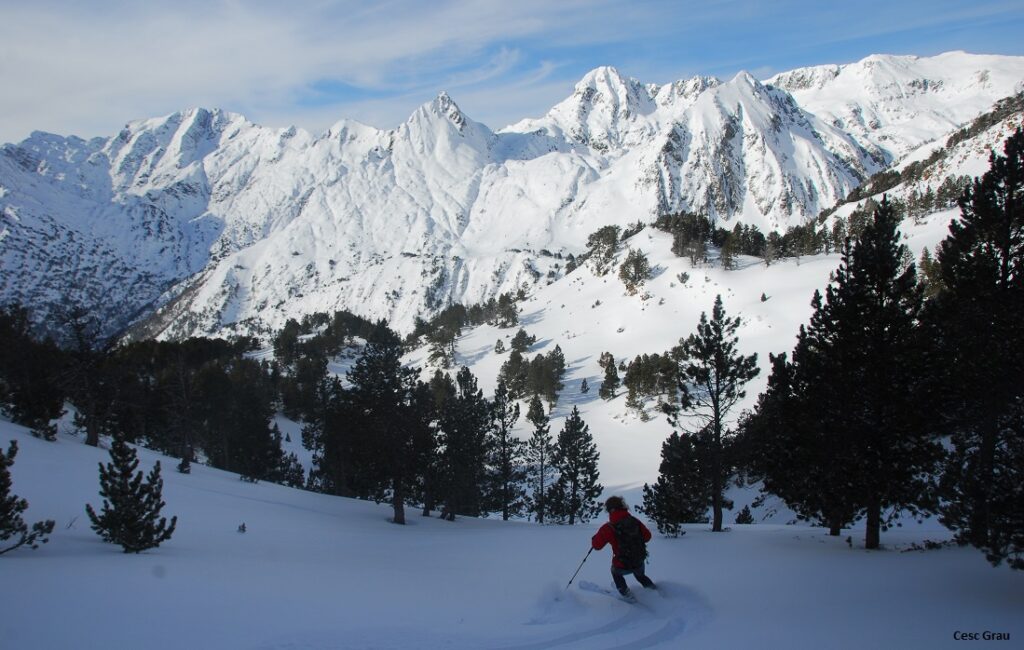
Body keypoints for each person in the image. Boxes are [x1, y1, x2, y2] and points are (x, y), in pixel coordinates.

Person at [591, 496, 656, 599]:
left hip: (622, 563)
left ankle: (627, 595)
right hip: (638, 559)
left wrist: (595, 538)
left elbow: (596, 546)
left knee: (615, 572)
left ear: (610, 510)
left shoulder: (608, 527)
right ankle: (655, 592)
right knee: (640, 575)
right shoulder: (635, 521)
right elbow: (647, 537)